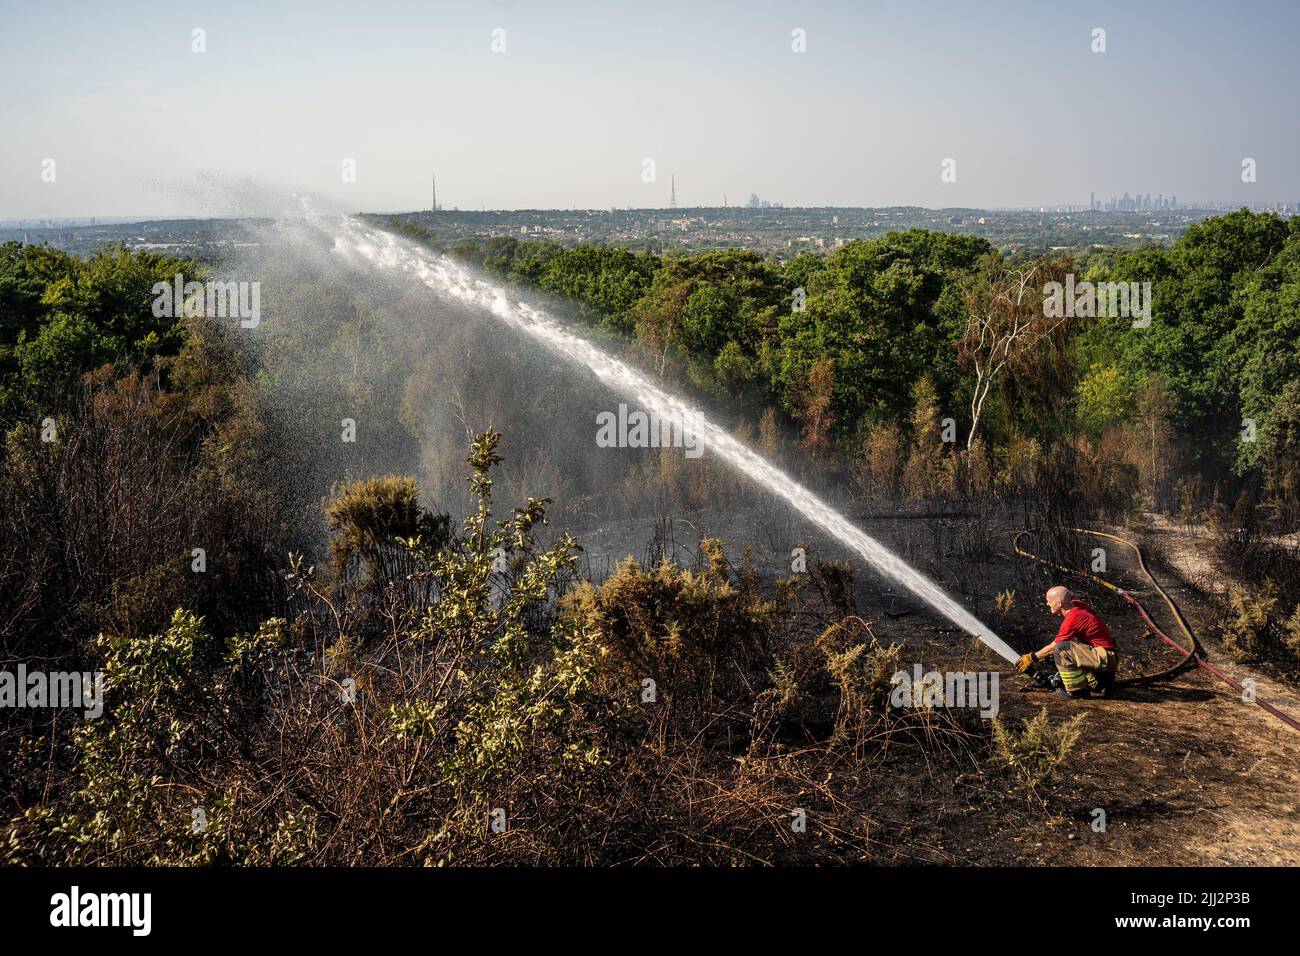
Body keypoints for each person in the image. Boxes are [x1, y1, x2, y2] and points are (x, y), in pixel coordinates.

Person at [1016, 586, 1118, 698]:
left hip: (1105, 658)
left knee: (1061, 649)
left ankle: (1077, 691)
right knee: (1054, 655)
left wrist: (1032, 658)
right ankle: (1097, 682)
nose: (1047, 604)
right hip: (1104, 657)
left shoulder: (1074, 617)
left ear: (1059, 603)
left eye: (1049, 601)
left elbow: (1053, 647)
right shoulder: (1076, 607)